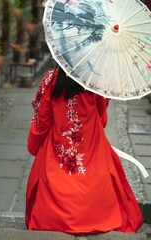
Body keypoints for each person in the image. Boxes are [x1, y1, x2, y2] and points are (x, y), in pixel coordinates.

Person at [25, 66, 143, 234]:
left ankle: (54, 218)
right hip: (91, 145)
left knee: (52, 176)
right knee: (98, 174)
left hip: (57, 146)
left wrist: (35, 142)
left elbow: (42, 119)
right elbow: (101, 119)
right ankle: (95, 217)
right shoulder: (97, 80)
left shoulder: (52, 79)